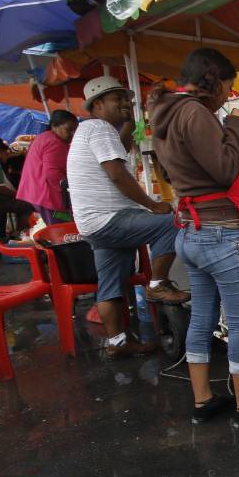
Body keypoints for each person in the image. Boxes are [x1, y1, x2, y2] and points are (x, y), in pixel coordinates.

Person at [149, 47, 239, 427]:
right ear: (211, 81)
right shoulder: (194, 113)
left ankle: (203, 401)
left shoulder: (165, 114)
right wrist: (235, 124)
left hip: (192, 230)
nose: (228, 98)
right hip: (219, 232)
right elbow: (224, 170)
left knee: (201, 316)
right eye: (227, 90)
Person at [66, 74, 189, 358]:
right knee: (171, 222)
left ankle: (117, 342)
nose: (125, 103)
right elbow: (117, 174)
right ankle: (158, 284)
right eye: (117, 99)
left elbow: (118, 153)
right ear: (97, 104)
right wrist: (152, 204)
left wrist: (129, 123)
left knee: (109, 286)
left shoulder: (91, 130)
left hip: (94, 223)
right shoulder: (98, 128)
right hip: (109, 218)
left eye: (126, 99)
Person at [17, 109, 78, 225]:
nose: (73, 134)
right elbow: (52, 174)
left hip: (36, 192)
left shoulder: (43, 137)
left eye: (75, 130)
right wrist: (70, 195)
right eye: (69, 130)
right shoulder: (55, 142)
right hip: (47, 195)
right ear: (54, 126)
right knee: (60, 232)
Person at [0, 141, 34, 241]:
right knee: (27, 205)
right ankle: (22, 234)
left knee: (12, 205)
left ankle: (2, 236)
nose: (7, 157)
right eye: (5, 154)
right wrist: (18, 194)